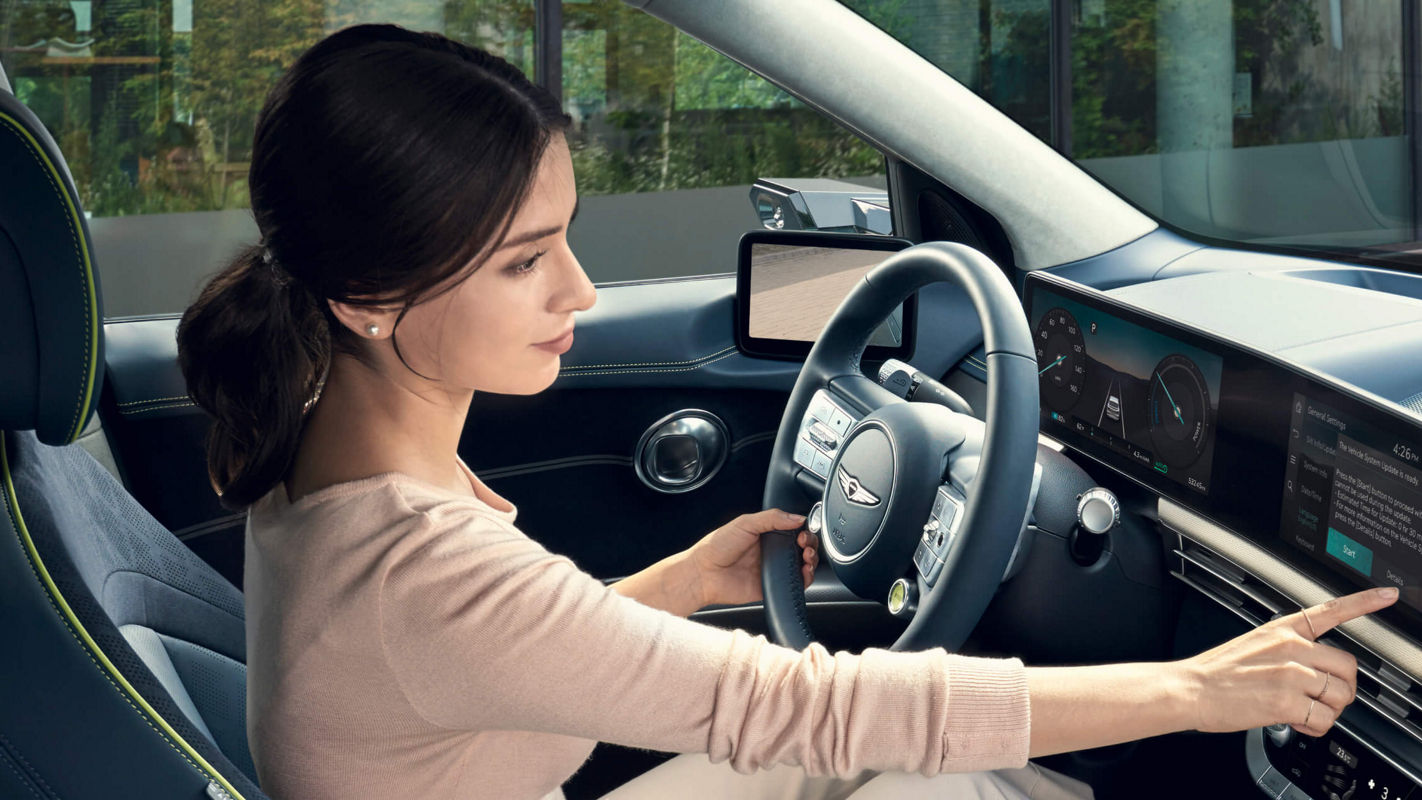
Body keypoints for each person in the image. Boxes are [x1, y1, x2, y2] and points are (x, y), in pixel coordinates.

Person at [175, 24, 1396, 800]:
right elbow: (801, 701)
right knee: (950, 778)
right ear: (369, 297)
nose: (580, 292)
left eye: (568, 239)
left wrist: (678, 582)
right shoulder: (418, 563)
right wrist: (1194, 687)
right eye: (522, 259)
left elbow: (472, 660)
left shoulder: (313, 444)